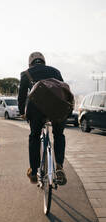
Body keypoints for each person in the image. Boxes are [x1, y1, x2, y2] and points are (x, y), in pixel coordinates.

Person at [18, 52, 67, 185]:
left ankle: (34, 171)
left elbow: (22, 96)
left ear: (30, 63)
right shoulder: (55, 71)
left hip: (36, 110)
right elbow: (63, 90)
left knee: (34, 136)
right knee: (58, 134)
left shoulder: (26, 74)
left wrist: (22, 112)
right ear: (43, 61)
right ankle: (59, 166)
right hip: (57, 108)